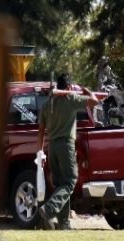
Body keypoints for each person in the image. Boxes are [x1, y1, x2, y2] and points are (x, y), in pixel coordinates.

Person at [37, 73, 99, 230]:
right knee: (70, 181)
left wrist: (39, 152)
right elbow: (94, 101)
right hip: (66, 145)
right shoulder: (70, 99)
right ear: (69, 87)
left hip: (52, 148)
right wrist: (86, 91)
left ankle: (64, 223)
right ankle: (50, 209)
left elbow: (41, 131)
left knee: (60, 185)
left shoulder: (47, 104)